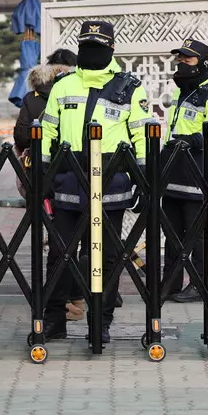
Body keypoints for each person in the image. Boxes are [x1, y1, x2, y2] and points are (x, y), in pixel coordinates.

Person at [40, 21, 152, 344]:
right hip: (67, 181)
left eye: (97, 46)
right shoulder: (63, 86)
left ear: (112, 49)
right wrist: (44, 177)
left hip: (111, 181)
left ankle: (100, 322)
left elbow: (142, 136)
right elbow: (48, 131)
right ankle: (53, 320)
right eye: (86, 45)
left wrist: (144, 183)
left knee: (107, 256)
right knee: (60, 253)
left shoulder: (130, 87)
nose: (91, 51)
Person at [13, 48, 88, 321]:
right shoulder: (80, 91)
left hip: (43, 175)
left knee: (56, 241)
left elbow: (21, 135)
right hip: (77, 173)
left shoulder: (33, 97)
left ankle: (55, 301)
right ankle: (77, 297)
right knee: (84, 239)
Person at [162, 39, 208, 303]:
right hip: (173, 175)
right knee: (171, 234)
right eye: (179, 58)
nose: (181, 63)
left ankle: (200, 284)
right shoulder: (185, 93)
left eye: (187, 59)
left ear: (203, 62)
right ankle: (170, 283)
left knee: (199, 236)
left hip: (197, 175)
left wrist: (192, 141)